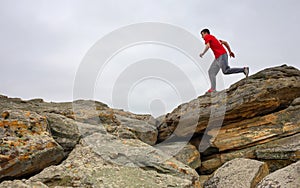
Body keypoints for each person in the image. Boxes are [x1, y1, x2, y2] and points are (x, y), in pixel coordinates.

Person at [199, 28, 249, 93]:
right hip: (218, 57)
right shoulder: (214, 39)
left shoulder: (208, 37)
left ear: (206, 33)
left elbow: (208, 46)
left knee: (225, 71)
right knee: (211, 71)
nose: (202, 37)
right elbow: (225, 43)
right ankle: (213, 89)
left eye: (202, 35)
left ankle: (244, 69)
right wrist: (230, 51)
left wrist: (203, 53)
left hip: (221, 55)